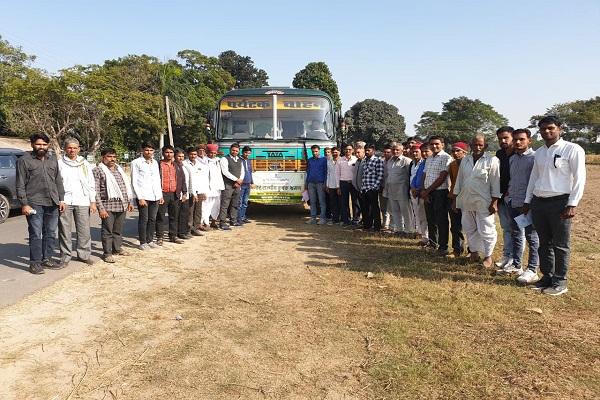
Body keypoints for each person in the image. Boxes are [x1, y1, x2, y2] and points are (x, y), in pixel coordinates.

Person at [523, 116, 586, 295]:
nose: (546, 132)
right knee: (544, 244)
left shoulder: (572, 149)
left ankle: (560, 281)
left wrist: (572, 203)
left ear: (560, 129)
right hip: (539, 202)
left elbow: (580, 178)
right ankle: (547, 277)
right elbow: (534, 177)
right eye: (543, 129)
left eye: (551, 128)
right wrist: (528, 201)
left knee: (560, 244)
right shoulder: (541, 152)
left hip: (560, 202)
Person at [16, 133, 65, 274]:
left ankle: (47, 259)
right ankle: (35, 263)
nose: (41, 147)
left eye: (44, 144)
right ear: (32, 145)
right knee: (36, 233)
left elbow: (58, 181)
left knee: (50, 232)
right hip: (34, 203)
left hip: (52, 202)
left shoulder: (53, 160)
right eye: (38, 144)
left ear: (48, 145)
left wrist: (61, 199)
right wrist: (24, 203)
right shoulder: (24, 161)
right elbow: (20, 184)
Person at [453, 134, 500, 268]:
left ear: (485, 146)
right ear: (470, 145)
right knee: (469, 228)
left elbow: (495, 183)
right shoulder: (465, 160)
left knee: (486, 230)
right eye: (474, 144)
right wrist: (455, 199)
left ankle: (488, 256)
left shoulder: (492, 160)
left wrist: (494, 202)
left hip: (484, 201)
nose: (477, 147)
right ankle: (473, 253)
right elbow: (459, 181)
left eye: (480, 144)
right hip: (467, 200)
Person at [502, 129, 540, 282]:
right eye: (516, 140)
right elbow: (513, 179)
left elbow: (536, 182)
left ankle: (532, 269)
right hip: (513, 202)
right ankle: (517, 265)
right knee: (516, 234)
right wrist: (508, 195)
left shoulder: (535, 158)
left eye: (522, 139)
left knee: (532, 237)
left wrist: (529, 202)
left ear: (529, 140)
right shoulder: (513, 159)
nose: (518, 142)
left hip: (528, 205)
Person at [57, 138, 96, 266]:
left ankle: (84, 255)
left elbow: (90, 182)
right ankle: (65, 257)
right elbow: (56, 183)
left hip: (82, 200)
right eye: (69, 147)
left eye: (75, 148)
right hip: (65, 201)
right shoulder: (59, 163)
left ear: (79, 149)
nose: (72, 150)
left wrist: (92, 201)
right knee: (65, 230)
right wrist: (60, 199)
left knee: (84, 230)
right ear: (65, 148)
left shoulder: (84, 163)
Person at [93, 148, 134, 263]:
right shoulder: (98, 170)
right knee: (107, 231)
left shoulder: (119, 169)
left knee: (118, 230)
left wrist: (129, 202)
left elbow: (125, 187)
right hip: (108, 206)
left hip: (122, 205)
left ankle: (117, 248)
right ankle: (107, 253)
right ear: (103, 157)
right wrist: (101, 209)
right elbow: (95, 191)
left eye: (114, 157)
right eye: (109, 156)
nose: (112, 159)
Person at [421, 136, 452, 255]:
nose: (434, 146)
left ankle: (443, 247)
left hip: (440, 192)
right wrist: (424, 191)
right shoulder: (429, 158)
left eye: (437, 144)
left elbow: (442, 177)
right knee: (431, 219)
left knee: (441, 220)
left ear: (442, 145)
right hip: (428, 192)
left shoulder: (446, 157)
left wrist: (427, 190)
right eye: (432, 144)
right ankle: (433, 244)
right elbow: (425, 175)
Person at [131, 142, 163, 250]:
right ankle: (143, 242)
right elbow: (134, 181)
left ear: (154, 151)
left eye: (151, 150)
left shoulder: (155, 163)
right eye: (146, 150)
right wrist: (140, 197)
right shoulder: (136, 163)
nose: (149, 152)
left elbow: (158, 180)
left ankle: (150, 240)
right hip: (144, 196)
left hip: (155, 195)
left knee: (152, 219)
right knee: (143, 219)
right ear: (142, 150)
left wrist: (160, 195)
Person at [495, 126, 517, 269]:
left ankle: (515, 260)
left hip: (515, 198)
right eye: (500, 139)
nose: (503, 141)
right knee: (506, 228)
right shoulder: (499, 154)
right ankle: (507, 255)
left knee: (516, 230)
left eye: (506, 138)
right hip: (501, 197)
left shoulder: (518, 154)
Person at [156, 145, 187, 244]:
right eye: (167, 152)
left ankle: (173, 236)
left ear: (174, 154)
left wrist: (184, 192)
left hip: (175, 193)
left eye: (171, 152)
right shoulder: (158, 165)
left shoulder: (177, 165)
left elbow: (182, 179)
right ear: (163, 153)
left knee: (174, 216)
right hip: (162, 194)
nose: (169, 154)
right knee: (160, 216)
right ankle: (159, 237)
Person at [386, 142, 413, 235]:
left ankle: (409, 230)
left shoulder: (406, 161)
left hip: (402, 190)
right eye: (393, 149)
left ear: (402, 150)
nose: (395, 151)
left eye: (397, 150)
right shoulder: (390, 161)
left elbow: (410, 176)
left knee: (406, 211)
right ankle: (399, 229)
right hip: (392, 190)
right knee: (395, 211)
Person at [447, 141, 468, 257]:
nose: (455, 153)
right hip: (454, 197)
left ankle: (472, 251)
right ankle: (457, 250)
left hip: (468, 198)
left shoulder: (469, 164)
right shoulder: (452, 165)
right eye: (453, 151)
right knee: (455, 226)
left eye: (458, 150)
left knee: (470, 226)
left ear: (464, 152)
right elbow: (453, 181)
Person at [218, 143, 245, 230]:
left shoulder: (240, 160)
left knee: (235, 203)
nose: (235, 152)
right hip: (228, 185)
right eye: (233, 150)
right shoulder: (224, 159)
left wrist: (240, 180)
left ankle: (233, 220)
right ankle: (222, 222)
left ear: (238, 151)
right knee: (225, 204)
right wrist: (236, 179)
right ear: (230, 149)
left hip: (237, 185)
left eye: (236, 151)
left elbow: (242, 172)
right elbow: (225, 172)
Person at [184, 146, 209, 234]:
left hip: (200, 190)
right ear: (188, 154)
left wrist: (204, 191)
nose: (193, 156)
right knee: (190, 211)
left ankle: (196, 228)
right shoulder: (184, 164)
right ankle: (188, 229)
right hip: (190, 192)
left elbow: (203, 179)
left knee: (198, 211)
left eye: (195, 154)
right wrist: (193, 193)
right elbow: (189, 180)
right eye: (191, 154)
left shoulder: (200, 165)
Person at [360, 143, 384, 231]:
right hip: (364, 188)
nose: (366, 152)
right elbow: (364, 175)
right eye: (365, 150)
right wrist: (362, 188)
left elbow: (380, 175)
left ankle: (377, 227)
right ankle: (367, 225)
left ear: (373, 151)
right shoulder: (365, 160)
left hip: (372, 189)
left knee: (374, 208)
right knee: (366, 208)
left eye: (368, 150)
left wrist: (374, 187)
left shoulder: (378, 160)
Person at [409, 143, 429, 246]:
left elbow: (425, 179)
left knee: (427, 217)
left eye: (426, 151)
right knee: (421, 216)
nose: (425, 153)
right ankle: (424, 238)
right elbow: (415, 177)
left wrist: (419, 189)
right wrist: (413, 187)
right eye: (413, 151)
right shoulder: (420, 164)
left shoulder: (428, 162)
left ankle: (430, 239)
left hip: (425, 193)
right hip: (416, 192)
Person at [202, 144, 225, 228]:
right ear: (207, 152)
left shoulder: (218, 160)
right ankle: (205, 222)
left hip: (217, 187)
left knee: (216, 205)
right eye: (211, 153)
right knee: (206, 205)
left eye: (214, 153)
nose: (212, 155)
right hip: (207, 187)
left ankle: (214, 221)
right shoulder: (204, 161)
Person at [305, 144, 328, 224]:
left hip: (320, 183)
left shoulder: (324, 160)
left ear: (319, 151)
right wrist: (306, 183)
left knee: (322, 201)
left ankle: (322, 218)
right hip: (311, 183)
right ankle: (313, 218)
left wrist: (325, 183)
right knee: (312, 201)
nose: (314, 153)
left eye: (316, 151)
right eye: (313, 151)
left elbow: (326, 172)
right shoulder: (310, 160)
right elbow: (308, 172)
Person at [338, 143, 359, 226]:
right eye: (346, 149)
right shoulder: (340, 160)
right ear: (344, 150)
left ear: (353, 150)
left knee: (355, 202)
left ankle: (356, 219)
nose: (348, 151)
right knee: (344, 202)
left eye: (350, 149)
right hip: (343, 183)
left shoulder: (356, 159)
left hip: (353, 183)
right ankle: (346, 219)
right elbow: (337, 174)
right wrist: (338, 186)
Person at [175, 148, 194, 240]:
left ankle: (183, 232)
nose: (181, 158)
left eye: (182, 156)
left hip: (185, 193)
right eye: (179, 156)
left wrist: (188, 193)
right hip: (176, 194)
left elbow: (189, 181)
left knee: (184, 214)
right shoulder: (173, 166)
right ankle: (175, 233)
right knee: (176, 214)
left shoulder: (185, 166)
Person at [237, 146, 254, 224]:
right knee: (239, 202)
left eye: (249, 153)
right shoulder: (238, 160)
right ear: (242, 152)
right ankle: (239, 218)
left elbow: (250, 172)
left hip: (248, 184)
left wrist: (252, 182)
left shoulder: (249, 161)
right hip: (241, 184)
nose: (247, 155)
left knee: (245, 202)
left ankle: (243, 217)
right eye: (246, 153)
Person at [326, 146, 342, 225]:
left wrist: (339, 186)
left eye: (336, 152)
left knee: (341, 203)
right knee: (333, 203)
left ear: (339, 152)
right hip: (331, 185)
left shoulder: (342, 161)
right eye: (333, 152)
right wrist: (327, 185)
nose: (335, 154)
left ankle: (342, 219)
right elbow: (328, 174)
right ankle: (335, 219)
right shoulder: (329, 161)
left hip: (340, 185)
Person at [379, 143, 394, 231]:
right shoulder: (381, 161)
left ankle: (392, 225)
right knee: (383, 207)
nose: (386, 154)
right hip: (383, 187)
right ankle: (385, 223)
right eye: (385, 152)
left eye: (388, 152)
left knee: (392, 208)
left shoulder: (394, 162)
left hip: (392, 188)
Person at [352, 142, 367, 226]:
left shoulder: (365, 161)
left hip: (363, 189)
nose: (357, 154)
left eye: (358, 152)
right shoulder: (357, 161)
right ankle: (360, 220)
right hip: (356, 188)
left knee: (365, 207)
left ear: (363, 152)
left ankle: (366, 221)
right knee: (359, 205)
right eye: (356, 153)